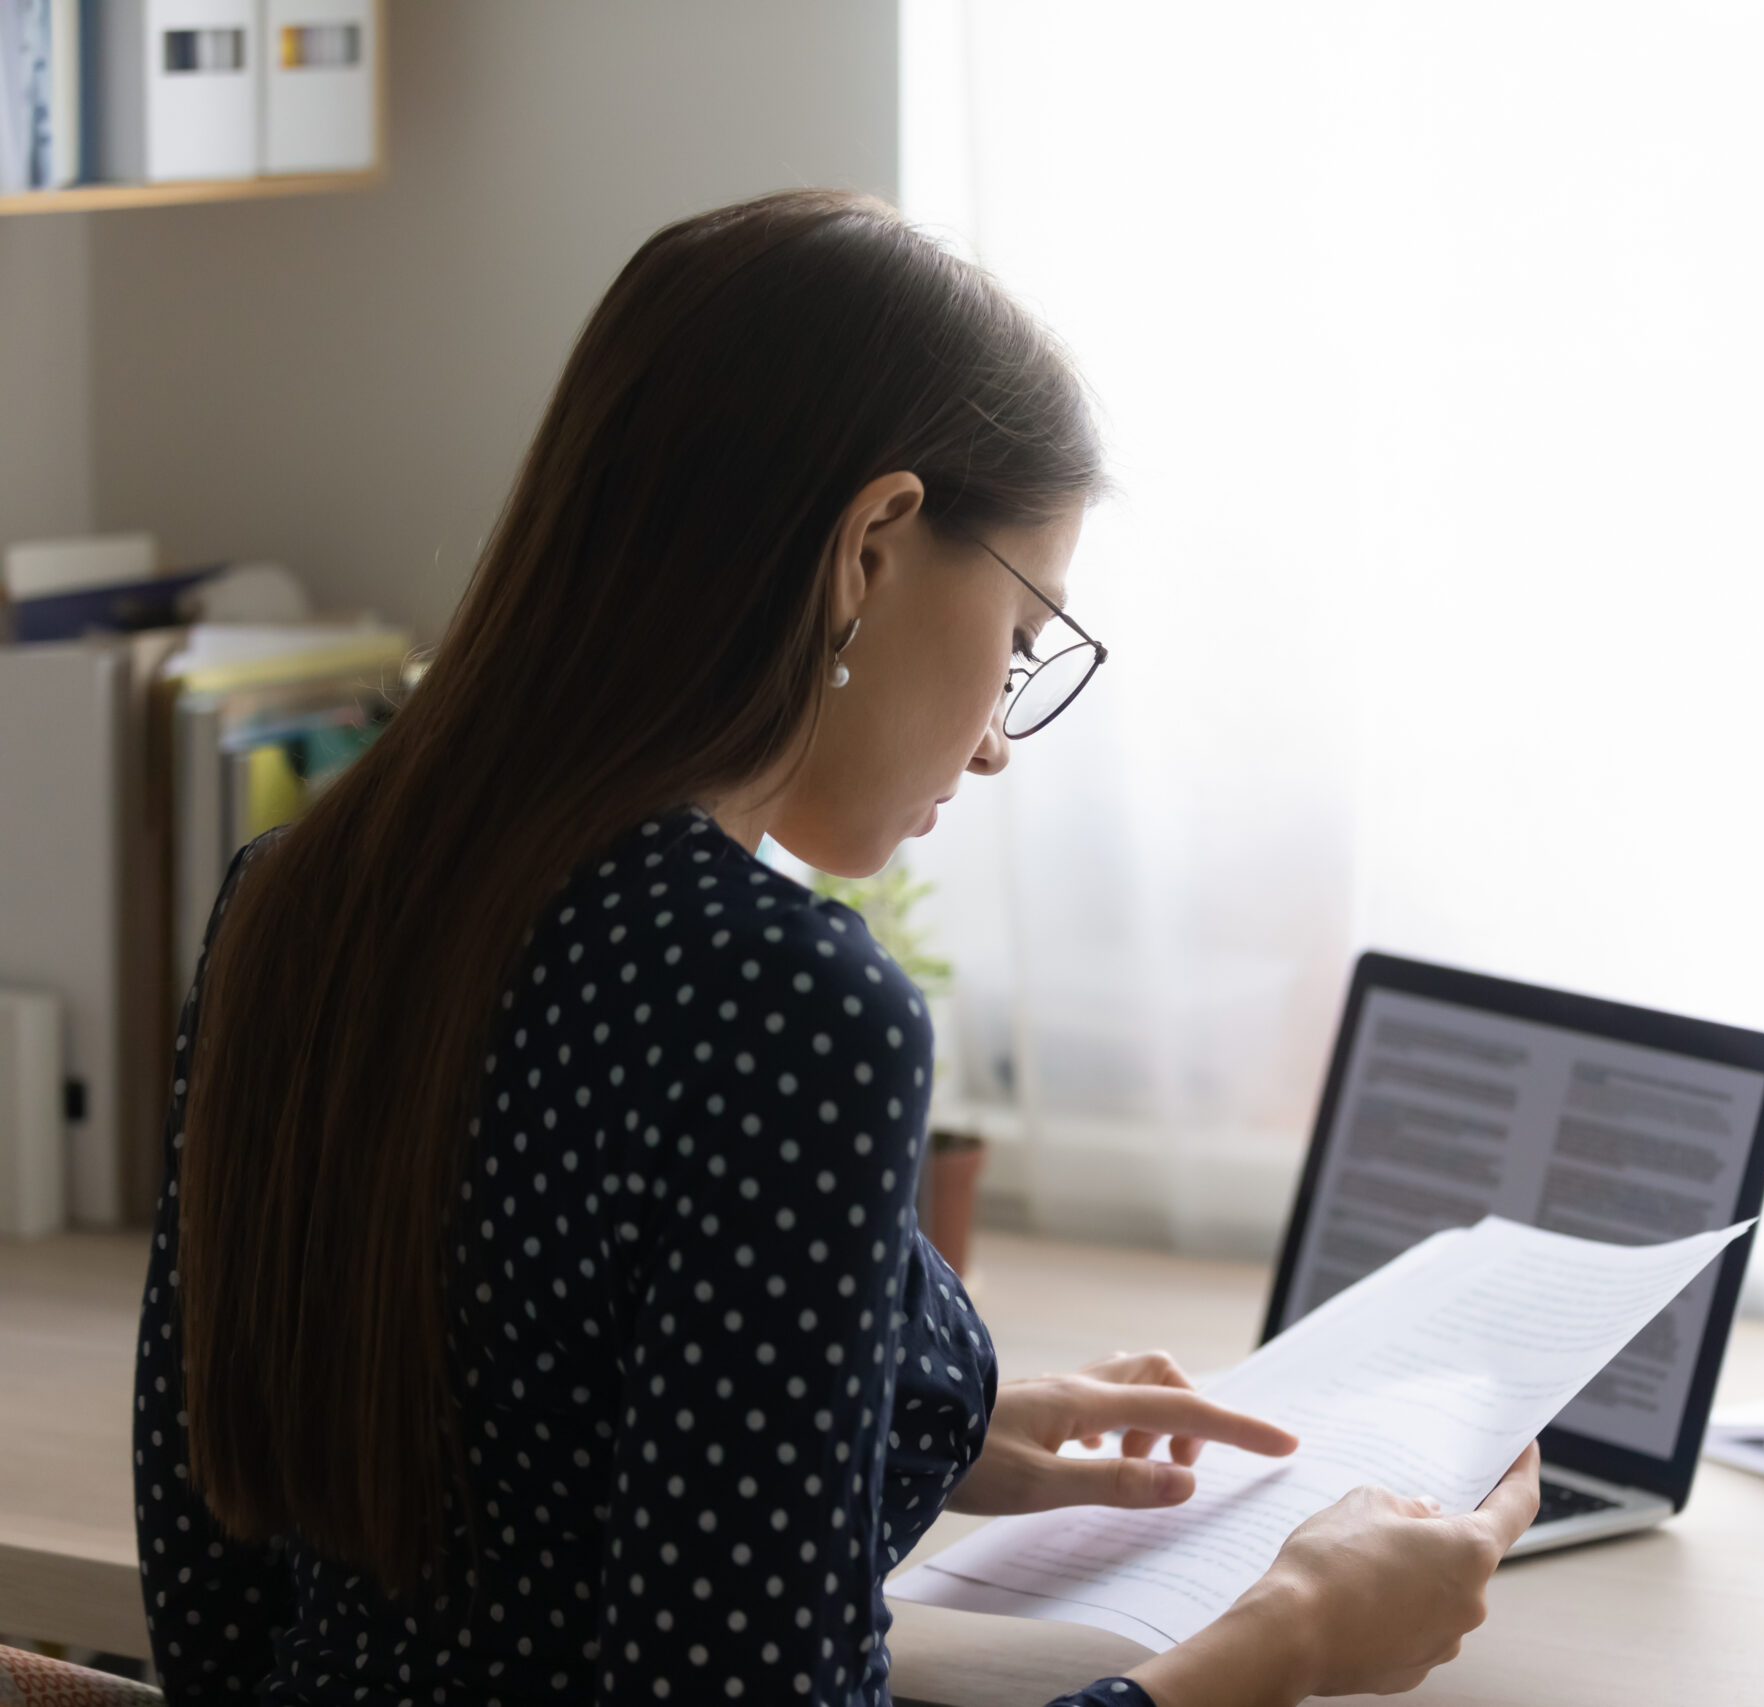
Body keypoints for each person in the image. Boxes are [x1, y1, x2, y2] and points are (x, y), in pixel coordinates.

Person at [132, 190, 1539, 1707]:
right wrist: (1291, 1639)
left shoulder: (292, 906)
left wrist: (913, 1425)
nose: (1000, 740)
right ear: (870, 544)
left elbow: (226, 1606)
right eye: (1019, 643)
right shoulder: (781, 1002)